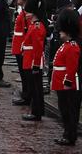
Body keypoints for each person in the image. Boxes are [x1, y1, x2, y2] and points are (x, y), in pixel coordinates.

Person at [53, 9, 81, 146]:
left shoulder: (72, 47)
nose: (59, 33)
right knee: (64, 110)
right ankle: (68, 133)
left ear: (68, 31)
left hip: (67, 83)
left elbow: (71, 68)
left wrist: (68, 82)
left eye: (61, 31)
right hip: (61, 81)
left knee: (68, 111)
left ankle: (69, 135)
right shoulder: (67, 45)